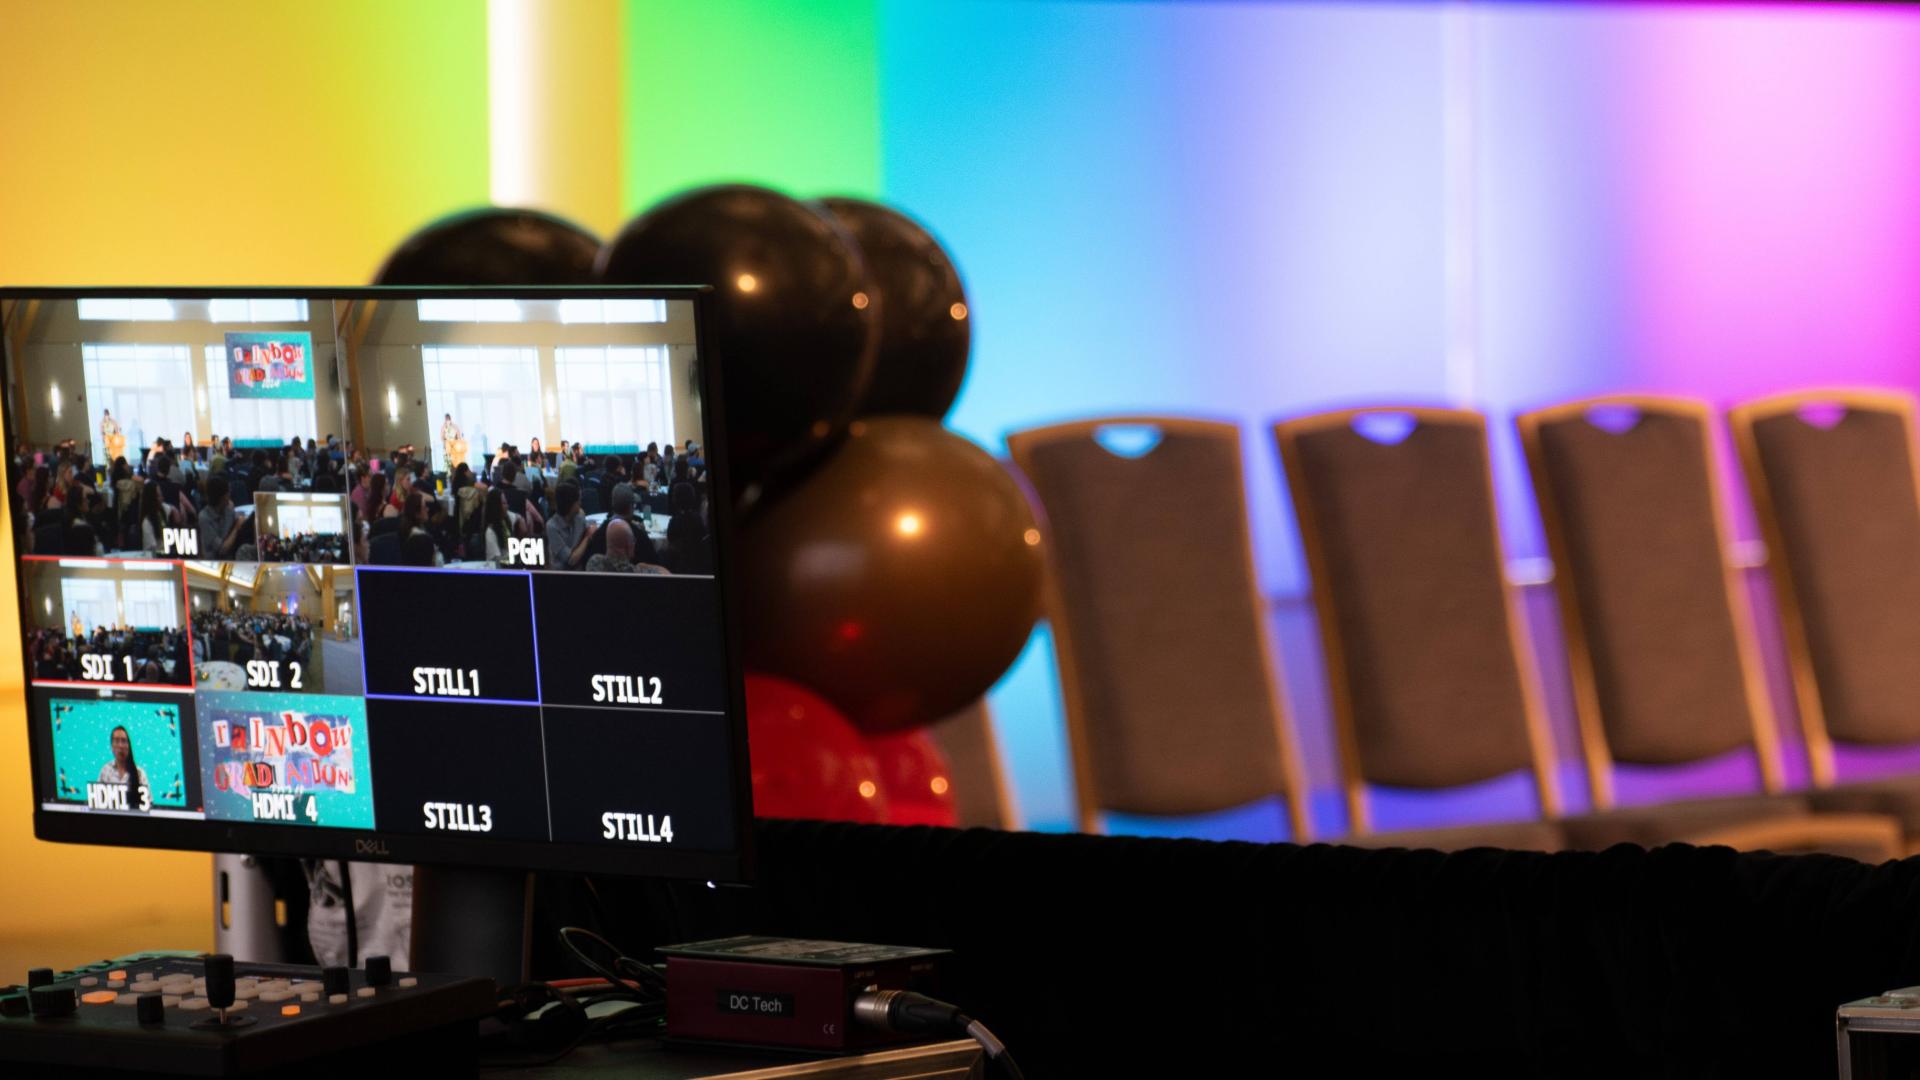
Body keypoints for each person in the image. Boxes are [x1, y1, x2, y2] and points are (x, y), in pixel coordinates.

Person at [97, 725, 150, 808]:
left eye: (124, 741)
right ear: (111, 746)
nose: (120, 746)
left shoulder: (140, 774)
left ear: (129, 745)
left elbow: (148, 804)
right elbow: (97, 802)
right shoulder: (105, 770)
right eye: (117, 741)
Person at [545, 481, 593, 570]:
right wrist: (587, 538)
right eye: (578, 500)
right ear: (572, 504)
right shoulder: (552, 526)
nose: (580, 503)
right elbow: (571, 560)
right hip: (561, 574)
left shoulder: (579, 518)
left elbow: (590, 530)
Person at [198, 475, 246, 558]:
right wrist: (236, 528)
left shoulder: (228, 509)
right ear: (222, 497)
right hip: (213, 562)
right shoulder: (204, 518)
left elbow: (237, 519)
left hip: (230, 558)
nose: (229, 495)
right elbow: (222, 549)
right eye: (228, 493)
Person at [481, 486, 513, 564]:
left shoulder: (505, 521)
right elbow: (496, 560)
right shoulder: (490, 532)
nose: (507, 506)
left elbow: (516, 516)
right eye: (504, 503)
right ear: (496, 506)